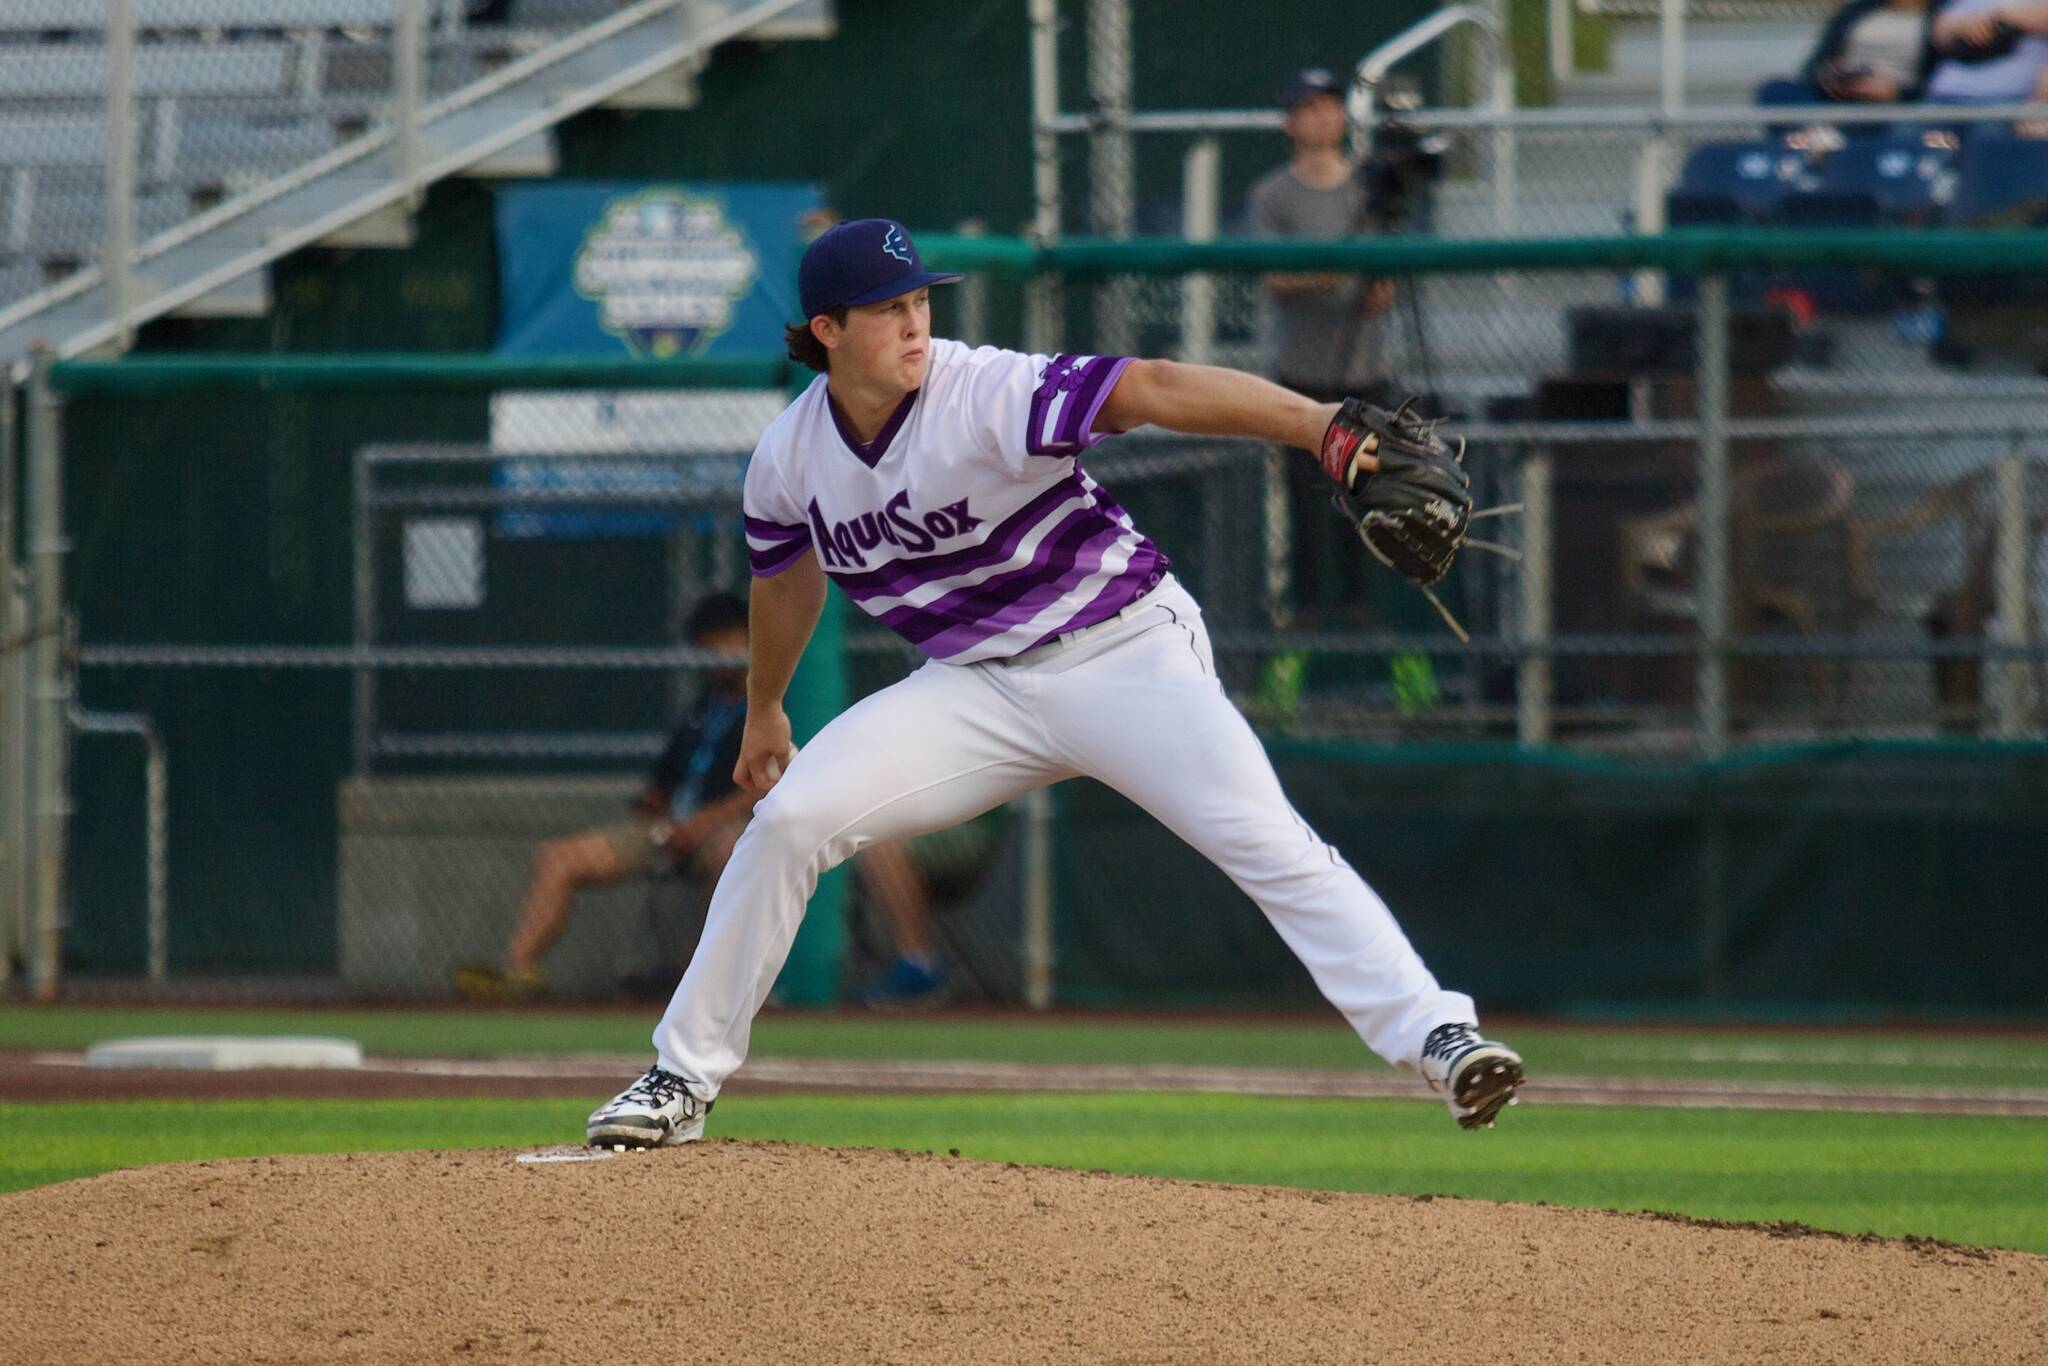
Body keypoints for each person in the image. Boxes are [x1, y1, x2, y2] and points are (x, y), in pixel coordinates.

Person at [584, 218, 1525, 1149]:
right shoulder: (789, 458)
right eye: (887, 309)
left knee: (1261, 836)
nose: (916, 324)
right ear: (827, 330)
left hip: (1124, 654)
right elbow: (784, 579)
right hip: (970, 689)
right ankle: (680, 1078)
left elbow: (1149, 387)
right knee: (788, 821)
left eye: (921, 301)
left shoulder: (982, 389)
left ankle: (1438, 1035)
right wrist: (763, 707)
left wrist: (1321, 429)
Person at [454, 592, 945, 1005]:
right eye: (707, 645)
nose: (716, 654)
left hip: (730, 830)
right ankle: (518, 971)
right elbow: (656, 790)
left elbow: (779, 785)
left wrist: (703, 824)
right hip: (672, 832)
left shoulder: (778, 703)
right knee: (559, 857)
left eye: (728, 642)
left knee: (729, 852)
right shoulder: (699, 709)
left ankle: (711, 986)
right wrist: (663, 821)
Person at [1755, 0, 1944, 106]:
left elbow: (1942, 77)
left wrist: (1898, 93)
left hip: (1897, 99)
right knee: (1777, 90)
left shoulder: (1944, 17)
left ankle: (1823, 141)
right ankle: (1818, 138)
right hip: (1842, 92)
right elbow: (1816, 63)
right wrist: (1829, 78)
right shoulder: (1858, 10)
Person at [1922, 0, 2048, 132]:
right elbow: (1937, 33)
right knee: (1913, 144)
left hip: (2010, 100)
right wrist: (1963, 25)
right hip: (1945, 96)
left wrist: (2000, 16)